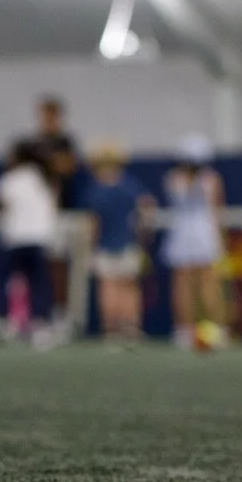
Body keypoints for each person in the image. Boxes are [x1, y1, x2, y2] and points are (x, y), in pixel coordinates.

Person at [0, 141, 58, 348]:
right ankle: (40, 326)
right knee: (39, 283)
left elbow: (1, 205)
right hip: (38, 238)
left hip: (14, 237)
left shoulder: (9, 180)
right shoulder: (44, 179)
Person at [82, 142, 154, 347]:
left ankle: (111, 330)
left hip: (105, 246)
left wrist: (90, 247)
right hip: (128, 244)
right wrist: (143, 235)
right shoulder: (129, 186)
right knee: (128, 287)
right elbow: (147, 207)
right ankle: (130, 328)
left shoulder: (96, 190)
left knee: (109, 287)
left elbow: (93, 223)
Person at [162, 133, 228, 349]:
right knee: (192, 283)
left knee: (199, 283)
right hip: (196, 232)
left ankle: (208, 328)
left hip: (193, 231)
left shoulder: (176, 179)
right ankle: (187, 329)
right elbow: (217, 209)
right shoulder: (203, 180)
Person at [24, 96, 80, 333]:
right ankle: (37, 314)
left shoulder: (65, 141)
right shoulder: (32, 144)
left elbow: (67, 167)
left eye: (52, 114)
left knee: (58, 265)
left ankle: (60, 315)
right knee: (36, 266)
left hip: (61, 215)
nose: (47, 119)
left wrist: (51, 164)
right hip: (34, 217)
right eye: (44, 114)